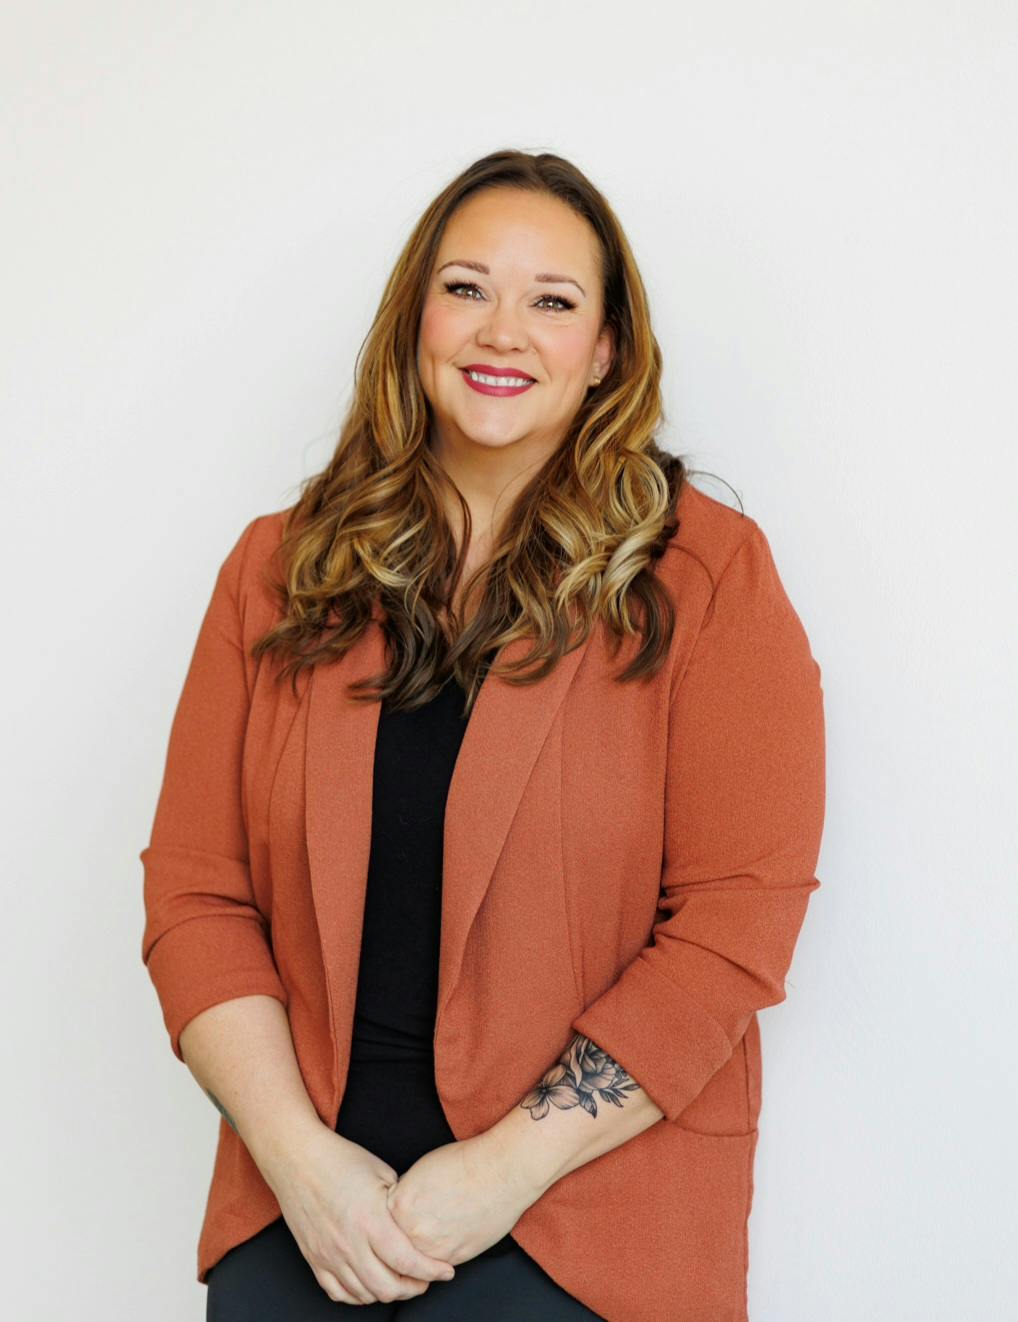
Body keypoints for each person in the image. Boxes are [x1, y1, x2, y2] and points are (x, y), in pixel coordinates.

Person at [140, 148, 826, 1321]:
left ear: (606, 348)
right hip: (308, 1209)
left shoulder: (706, 576)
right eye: (466, 288)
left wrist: (493, 1174)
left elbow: (730, 931)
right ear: (416, 316)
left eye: (552, 302)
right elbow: (198, 897)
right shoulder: (278, 569)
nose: (501, 331)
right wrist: (300, 1162)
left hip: (584, 1223)